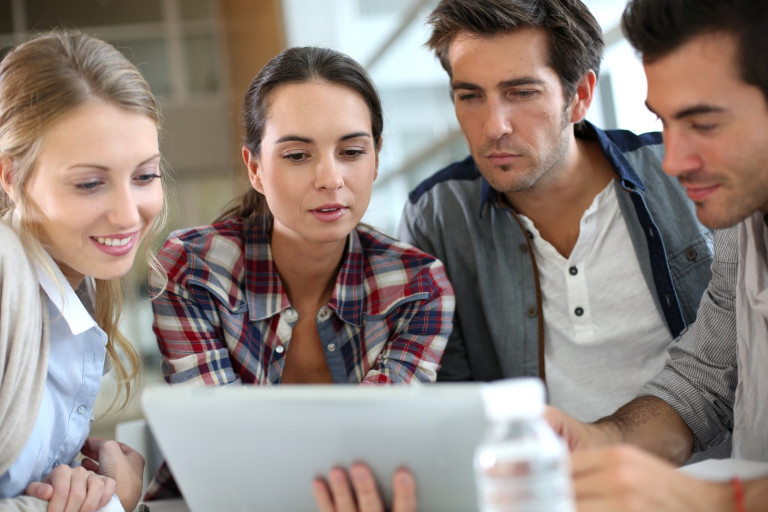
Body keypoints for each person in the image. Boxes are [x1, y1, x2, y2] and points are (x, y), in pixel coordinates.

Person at [143, 46, 454, 498]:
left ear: (377, 157)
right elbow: (221, 451)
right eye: (297, 156)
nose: (331, 178)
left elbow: (379, 448)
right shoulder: (192, 270)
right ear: (255, 168)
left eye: (351, 151)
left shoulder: (418, 288)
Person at [397, 0, 713, 424]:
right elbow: (447, 398)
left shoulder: (684, 171)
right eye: (470, 96)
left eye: (521, 93)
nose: (494, 127)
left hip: (715, 475)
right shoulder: (435, 215)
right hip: (542, 484)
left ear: (579, 95)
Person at [542, 0, 768, 509]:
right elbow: (707, 376)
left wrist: (715, 499)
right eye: (665, 121)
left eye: (704, 124)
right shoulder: (741, 219)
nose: (673, 161)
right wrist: (602, 442)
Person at [0, 31, 168, 511]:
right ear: (11, 177)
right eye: (91, 183)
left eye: (145, 176)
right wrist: (115, 502)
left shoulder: (79, 286)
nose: (127, 213)